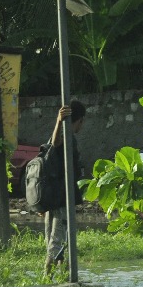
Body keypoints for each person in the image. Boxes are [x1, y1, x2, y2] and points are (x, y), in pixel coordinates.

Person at [45, 100, 86, 275]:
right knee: (56, 241)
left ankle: (62, 276)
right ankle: (47, 278)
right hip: (61, 199)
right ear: (80, 120)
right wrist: (59, 121)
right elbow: (55, 144)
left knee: (57, 241)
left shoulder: (67, 138)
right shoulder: (67, 138)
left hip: (54, 197)